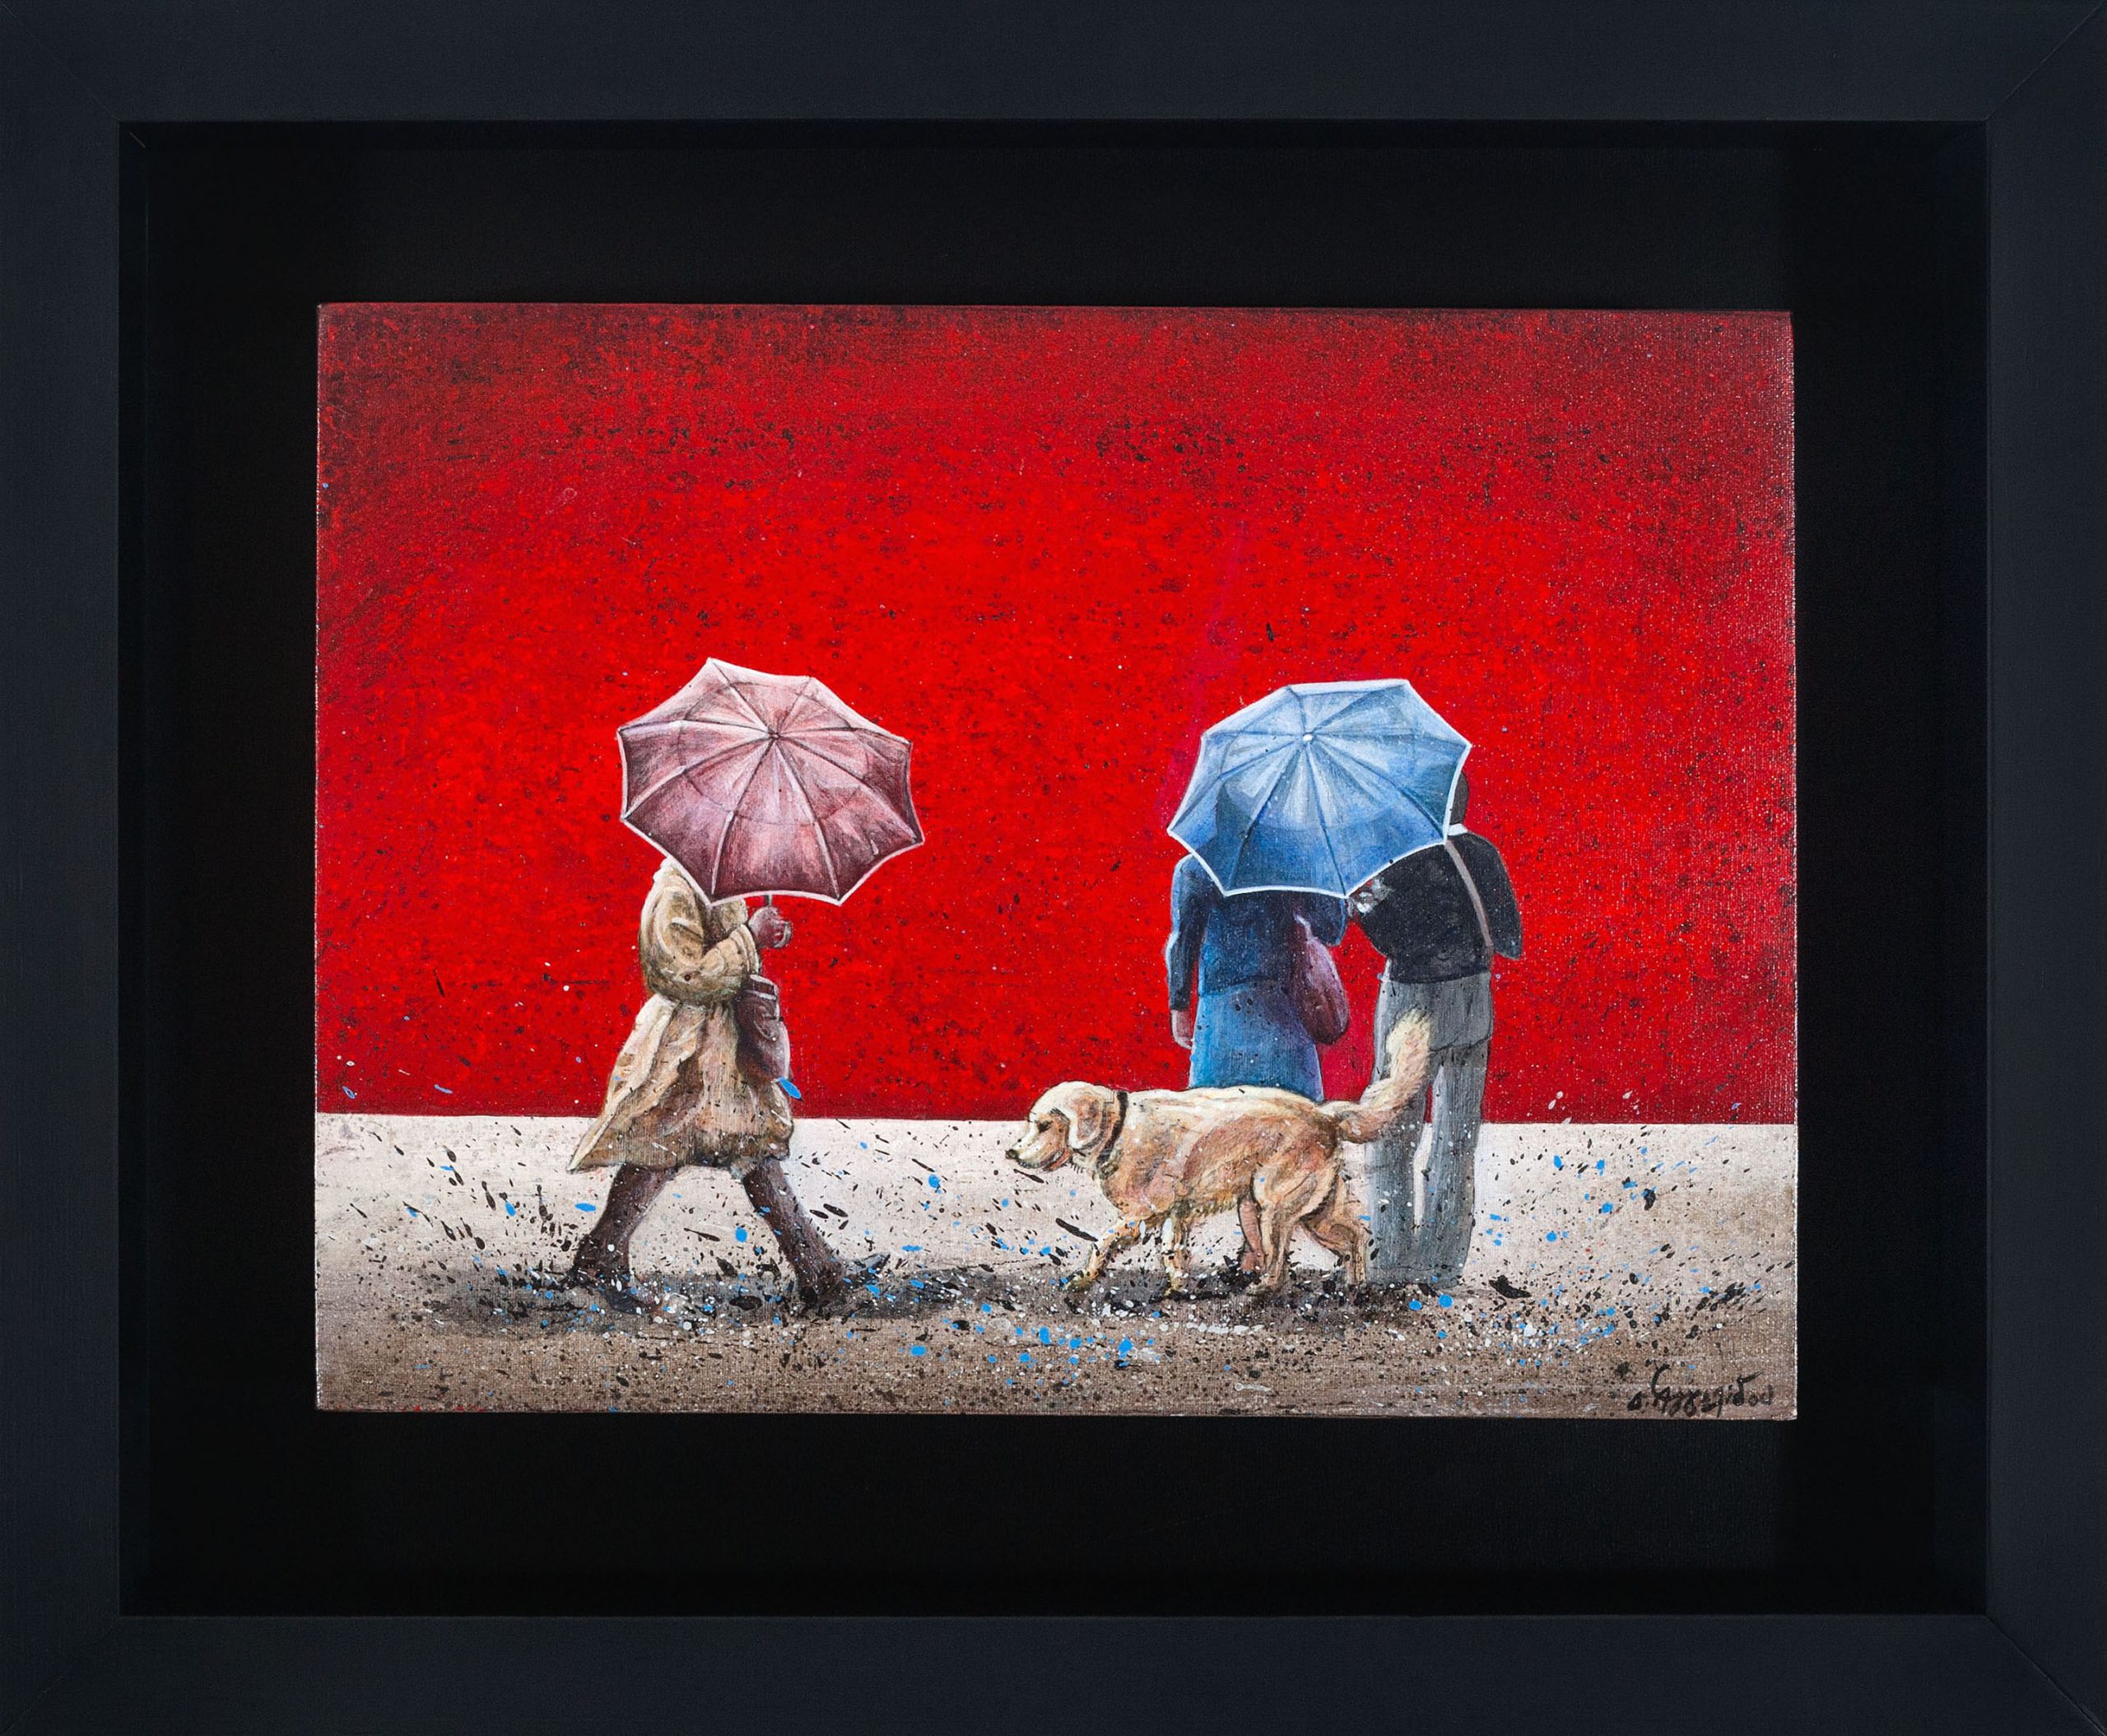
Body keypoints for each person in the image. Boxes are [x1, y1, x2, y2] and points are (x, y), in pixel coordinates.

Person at [564, 856, 849, 1312]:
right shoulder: (675, 889)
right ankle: (599, 1261)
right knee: (663, 1150)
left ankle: (820, 1272)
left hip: (721, 1054)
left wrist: (760, 937)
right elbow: (683, 975)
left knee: (747, 1153)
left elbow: (724, 961)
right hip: (686, 1053)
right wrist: (749, 938)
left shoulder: (716, 889)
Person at [1349, 772, 1523, 1288]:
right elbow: (1510, 937)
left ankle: (1390, 1258)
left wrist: (1361, 907)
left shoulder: (1403, 861)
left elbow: (1395, 943)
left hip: (1414, 1007)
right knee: (1457, 1136)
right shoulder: (1483, 854)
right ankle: (1443, 1264)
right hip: (1474, 1000)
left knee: (1392, 1132)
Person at [1165, 854, 1348, 1101]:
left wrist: (1179, 1005)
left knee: (1217, 1114)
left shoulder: (1196, 867)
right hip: (1285, 1013)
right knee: (1295, 1113)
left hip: (1220, 1016)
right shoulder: (1300, 860)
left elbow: (1184, 940)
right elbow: (1332, 930)